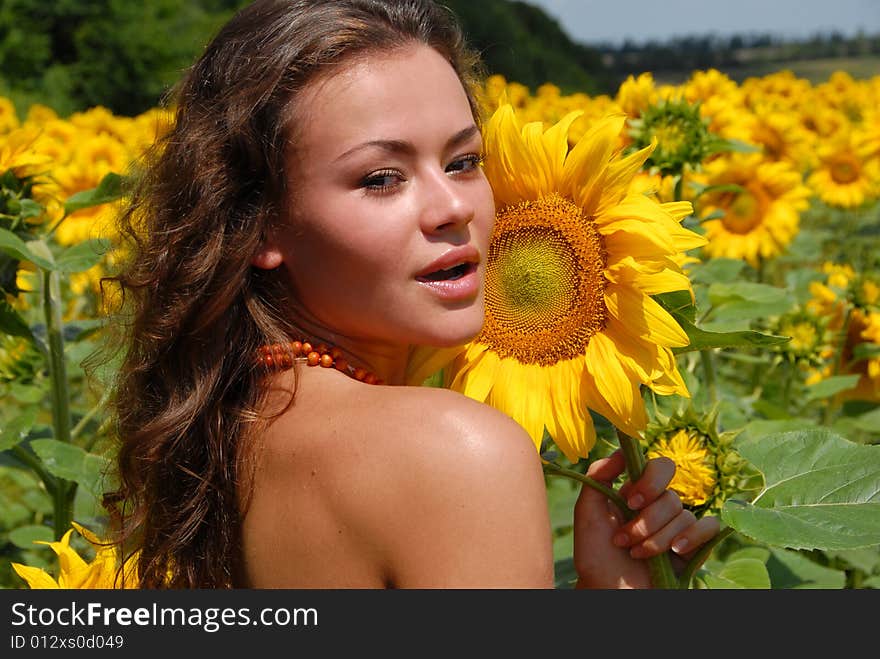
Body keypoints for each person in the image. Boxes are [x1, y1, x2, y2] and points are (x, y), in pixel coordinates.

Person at [103, 0, 719, 589]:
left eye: (463, 160)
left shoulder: (223, 423)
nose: (453, 207)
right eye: (380, 179)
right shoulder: (455, 452)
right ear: (259, 223)